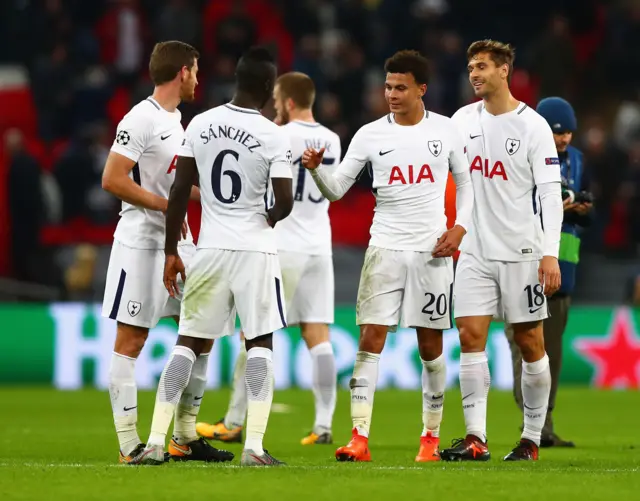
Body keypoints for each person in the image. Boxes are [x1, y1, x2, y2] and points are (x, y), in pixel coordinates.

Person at [302, 50, 474, 462]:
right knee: (370, 340)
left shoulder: (447, 131)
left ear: (422, 89)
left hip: (431, 253)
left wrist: (459, 228)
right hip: (384, 249)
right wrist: (315, 170)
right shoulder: (369, 135)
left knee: (430, 346)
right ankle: (358, 438)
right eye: (388, 86)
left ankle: (429, 441)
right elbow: (338, 189)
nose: (392, 94)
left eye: (401, 87)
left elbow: (467, 187)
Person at [135, 46, 294, 467]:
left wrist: (171, 251)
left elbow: (177, 192)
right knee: (260, 342)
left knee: (187, 342)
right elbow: (285, 201)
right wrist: (268, 216)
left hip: (208, 249)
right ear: (265, 87)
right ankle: (255, 449)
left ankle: (154, 442)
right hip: (255, 249)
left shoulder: (200, 123)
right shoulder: (273, 134)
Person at [101, 41, 231, 464]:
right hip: (141, 243)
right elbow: (113, 179)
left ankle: (184, 436)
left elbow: (181, 186)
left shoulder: (180, 123)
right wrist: (167, 205)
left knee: (202, 333)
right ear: (182, 72)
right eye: (195, 71)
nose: (198, 79)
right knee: (132, 340)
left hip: (183, 243)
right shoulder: (140, 118)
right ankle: (127, 445)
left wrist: (220, 199)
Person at [196, 72, 341, 446]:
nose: (274, 106)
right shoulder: (332, 138)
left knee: (254, 333)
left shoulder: (277, 135)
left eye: (277, 100)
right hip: (319, 246)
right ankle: (324, 425)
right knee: (318, 335)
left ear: (288, 102)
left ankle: (233, 420)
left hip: (283, 245)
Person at [441, 40, 563, 462]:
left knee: (530, 342)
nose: (474, 74)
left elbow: (550, 195)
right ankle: (476, 438)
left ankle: (530, 439)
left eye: (482, 67)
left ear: (504, 69)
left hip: (522, 251)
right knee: (470, 336)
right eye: (471, 67)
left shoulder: (533, 126)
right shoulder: (460, 121)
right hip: (474, 250)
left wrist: (550, 252)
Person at [504, 96, 592, 448]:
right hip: (525, 260)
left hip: (562, 265)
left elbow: (588, 214)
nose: (563, 139)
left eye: (568, 131)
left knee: (551, 349)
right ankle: (532, 423)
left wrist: (580, 208)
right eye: (557, 132)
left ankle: (545, 423)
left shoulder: (579, 160)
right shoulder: (522, 154)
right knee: (524, 343)